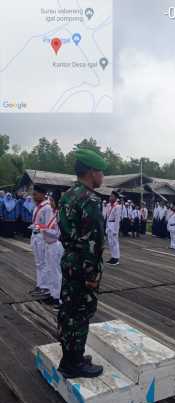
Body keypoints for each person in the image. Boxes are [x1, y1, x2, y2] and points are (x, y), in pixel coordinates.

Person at [57, 148, 107, 379]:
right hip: (83, 265)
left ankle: (70, 356)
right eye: (101, 172)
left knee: (68, 309)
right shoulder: (90, 200)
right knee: (81, 312)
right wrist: (91, 275)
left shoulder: (67, 195)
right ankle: (73, 363)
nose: (102, 177)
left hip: (69, 260)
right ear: (90, 172)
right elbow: (93, 242)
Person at [42, 191, 64, 310]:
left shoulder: (60, 214)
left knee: (56, 271)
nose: (49, 203)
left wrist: (43, 229)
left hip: (56, 244)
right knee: (50, 270)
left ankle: (58, 298)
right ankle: (52, 293)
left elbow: (58, 233)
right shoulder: (53, 213)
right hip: (50, 244)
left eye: (51, 200)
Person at [30, 186, 53, 298]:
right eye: (33, 194)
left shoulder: (47, 207)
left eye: (35, 194)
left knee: (44, 262)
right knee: (38, 263)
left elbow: (49, 225)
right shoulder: (37, 207)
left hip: (42, 237)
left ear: (43, 194)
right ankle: (40, 285)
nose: (33, 197)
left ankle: (46, 287)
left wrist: (37, 226)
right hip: (35, 236)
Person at [106, 191, 122, 265]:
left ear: (115, 198)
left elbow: (117, 219)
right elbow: (107, 217)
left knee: (115, 242)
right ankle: (112, 257)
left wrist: (116, 230)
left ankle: (116, 259)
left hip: (114, 224)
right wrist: (106, 227)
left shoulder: (118, 206)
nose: (110, 198)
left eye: (112, 196)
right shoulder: (108, 205)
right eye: (110, 196)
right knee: (110, 242)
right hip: (109, 224)